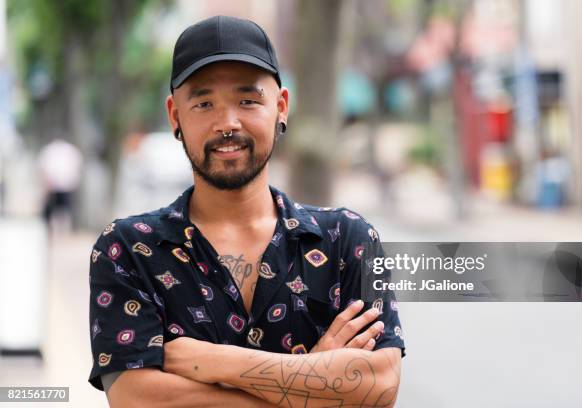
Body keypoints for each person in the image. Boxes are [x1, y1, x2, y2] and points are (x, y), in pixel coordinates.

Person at [88, 15, 405, 407]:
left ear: (281, 107)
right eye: (204, 103)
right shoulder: (129, 250)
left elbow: (381, 385)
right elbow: (139, 399)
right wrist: (318, 376)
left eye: (248, 100)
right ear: (175, 116)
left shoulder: (349, 240)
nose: (228, 123)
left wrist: (213, 361)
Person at [37, 138, 83, 232]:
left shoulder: (52, 150)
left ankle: (63, 229)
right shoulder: (56, 150)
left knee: (64, 209)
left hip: (64, 185)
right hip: (56, 185)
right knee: (55, 209)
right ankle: (53, 228)